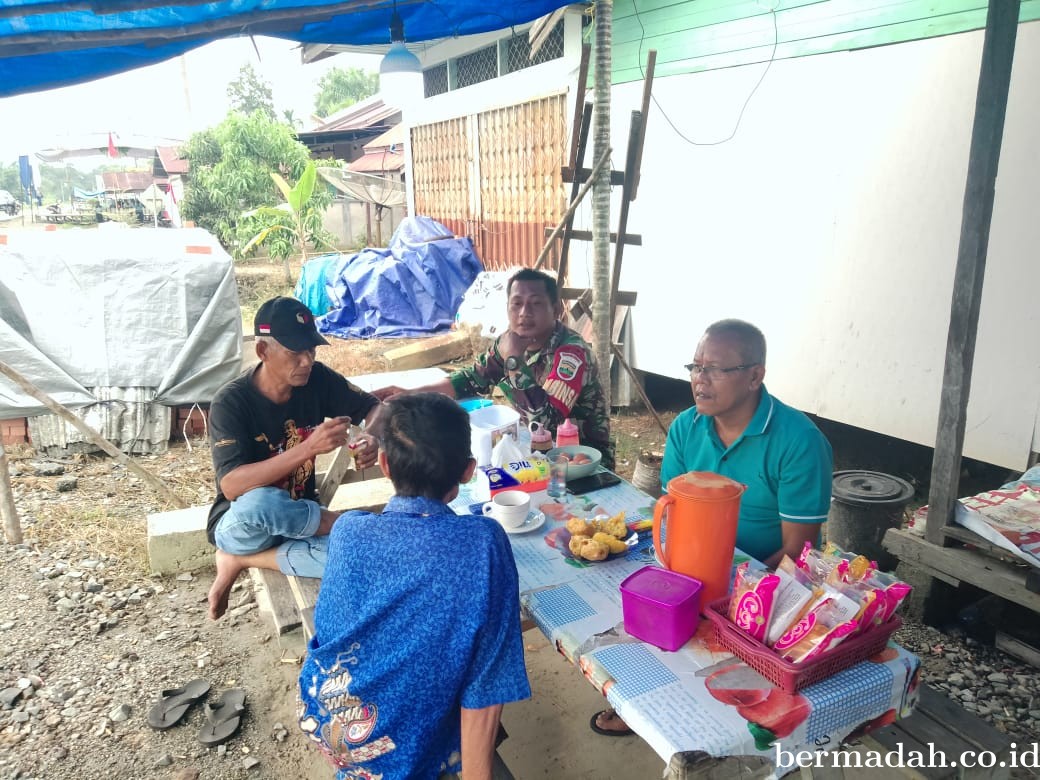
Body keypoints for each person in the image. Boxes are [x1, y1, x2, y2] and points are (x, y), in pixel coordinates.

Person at [591, 318, 833, 737]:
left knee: (739, 679)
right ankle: (641, 699)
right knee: (632, 607)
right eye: (695, 367)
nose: (699, 381)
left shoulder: (799, 441)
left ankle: (717, 728)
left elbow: (798, 552)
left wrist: (736, 594)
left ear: (755, 376)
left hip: (764, 584)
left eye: (715, 370)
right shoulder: (687, 427)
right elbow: (673, 514)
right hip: (694, 570)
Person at [298, 392, 531, 779]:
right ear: (468, 471)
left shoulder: (349, 531)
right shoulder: (483, 541)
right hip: (404, 746)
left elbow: (335, 636)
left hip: (330, 722)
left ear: (385, 465)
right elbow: (486, 685)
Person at [206, 296, 383, 620]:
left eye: (311, 350)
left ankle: (240, 560)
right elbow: (231, 487)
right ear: (262, 351)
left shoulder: (317, 379)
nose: (306, 361)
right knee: (260, 502)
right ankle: (334, 524)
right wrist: (307, 448)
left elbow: (376, 408)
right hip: (245, 525)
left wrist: (372, 435)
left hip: (302, 522)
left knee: (361, 558)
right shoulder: (231, 402)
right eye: (294, 352)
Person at [375, 268, 614, 468]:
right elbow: (470, 379)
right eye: (516, 303)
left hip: (583, 463)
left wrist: (513, 362)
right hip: (537, 454)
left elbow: (546, 421)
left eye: (536, 304)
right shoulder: (509, 341)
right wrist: (408, 393)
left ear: (557, 310)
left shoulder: (571, 353)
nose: (524, 313)